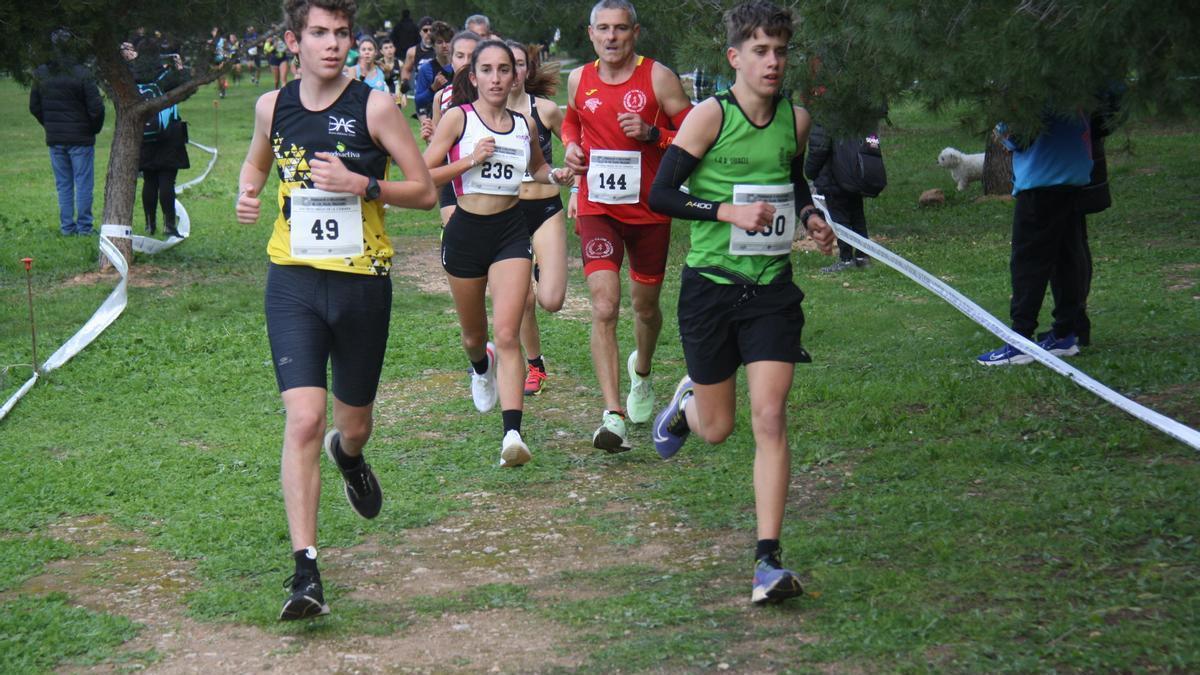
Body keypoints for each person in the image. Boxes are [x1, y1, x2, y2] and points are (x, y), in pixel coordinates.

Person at [234, 0, 435, 621]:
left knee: (352, 424)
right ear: (293, 42)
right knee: (302, 417)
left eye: (340, 33)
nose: (330, 44)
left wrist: (363, 185)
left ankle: (348, 457)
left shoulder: (375, 105)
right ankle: (306, 572)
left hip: (361, 284)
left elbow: (425, 191)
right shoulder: (272, 106)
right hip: (292, 279)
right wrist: (247, 190)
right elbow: (257, 161)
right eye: (317, 33)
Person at [646, 0, 836, 605]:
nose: (773, 62)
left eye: (781, 50)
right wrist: (725, 210)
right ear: (735, 57)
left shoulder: (796, 121)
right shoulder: (709, 117)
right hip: (710, 288)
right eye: (760, 51)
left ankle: (767, 562)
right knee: (719, 428)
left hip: (773, 292)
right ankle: (687, 402)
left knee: (771, 416)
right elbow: (661, 193)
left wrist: (810, 215)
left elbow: (794, 180)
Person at [422, 40, 572, 468]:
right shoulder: (457, 118)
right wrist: (470, 159)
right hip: (467, 232)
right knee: (475, 336)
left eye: (503, 70)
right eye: (486, 70)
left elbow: (538, 168)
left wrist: (556, 174)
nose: (495, 78)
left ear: (515, 75)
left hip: (510, 231)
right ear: (473, 78)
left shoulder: (525, 123)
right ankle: (478, 363)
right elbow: (424, 174)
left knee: (507, 335)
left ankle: (512, 435)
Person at [561, 0, 693, 452]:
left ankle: (642, 373)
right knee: (603, 306)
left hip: (650, 212)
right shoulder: (579, 78)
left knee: (646, 309)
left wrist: (654, 134)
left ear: (634, 33)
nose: (612, 36)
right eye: (604, 29)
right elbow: (571, 121)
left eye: (620, 28)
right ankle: (613, 414)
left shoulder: (658, 77)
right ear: (591, 34)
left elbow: (697, 136)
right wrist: (572, 148)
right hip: (599, 208)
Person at [976, 112, 1093, 366]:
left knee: (1028, 261)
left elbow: (1020, 136)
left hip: (1042, 177)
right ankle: (1065, 334)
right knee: (1067, 255)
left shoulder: (1033, 88)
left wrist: (1002, 128)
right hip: (1074, 172)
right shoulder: (1076, 80)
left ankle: (1020, 339)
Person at [505, 40, 567, 395]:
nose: (512, 72)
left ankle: (543, 267)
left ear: (527, 71)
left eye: (518, 64)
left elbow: (576, 146)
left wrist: (571, 176)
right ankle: (535, 364)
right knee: (522, 299)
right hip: (507, 214)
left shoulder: (544, 110)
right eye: (505, 65)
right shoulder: (481, 115)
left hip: (544, 206)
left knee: (551, 300)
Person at [29, 31, 105, 237]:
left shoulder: (42, 73)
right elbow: (96, 108)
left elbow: (34, 106)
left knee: (63, 184)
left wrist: (50, 125)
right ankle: (84, 228)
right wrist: (92, 128)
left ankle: (67, 228)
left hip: (56, 137)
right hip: (81, 137)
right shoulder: (83, 73)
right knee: (83, 183)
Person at [805, 121, 883, 271]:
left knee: (839, 220)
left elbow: (818, 150)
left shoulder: (824, 119)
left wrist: (810, 172)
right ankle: (862, 256)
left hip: (833, 178)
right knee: (857, 217)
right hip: (856, 176)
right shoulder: (855, 113)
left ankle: (846, 259)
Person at [424, 31, 481, 224]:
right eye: (459, 56)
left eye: (472, 57)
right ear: (451, 59)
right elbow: (437, 155)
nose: (465, 62)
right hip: (453, 181)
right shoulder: (441, 97)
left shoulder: (494, 94)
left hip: (489, 180)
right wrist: (431, 139)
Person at [135, 45, 190, 238]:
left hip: (143, 134)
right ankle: (169, 225)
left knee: (149, 180)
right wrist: (180, 67)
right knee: (167, 180)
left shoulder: (133, 76)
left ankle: (150, 224)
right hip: (169, 133)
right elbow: (188, 87)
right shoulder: (166, 76)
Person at [413, 21, 454, 121]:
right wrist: (433, 88)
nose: (444, 45)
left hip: (457, 118)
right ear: (433, 45)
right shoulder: (426, 69)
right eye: (439, 42)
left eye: (447, 41)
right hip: (437, 119)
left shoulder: (460, 66)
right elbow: (418, 101)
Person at [399, 16, 436, 97]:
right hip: (421, 93)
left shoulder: (440, 49)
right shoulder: (413, 52)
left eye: (431, 30)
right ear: (420, 32)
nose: (428, 33)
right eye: (425, 30)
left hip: (438, 94)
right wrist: (404, 81)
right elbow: (406, 69)